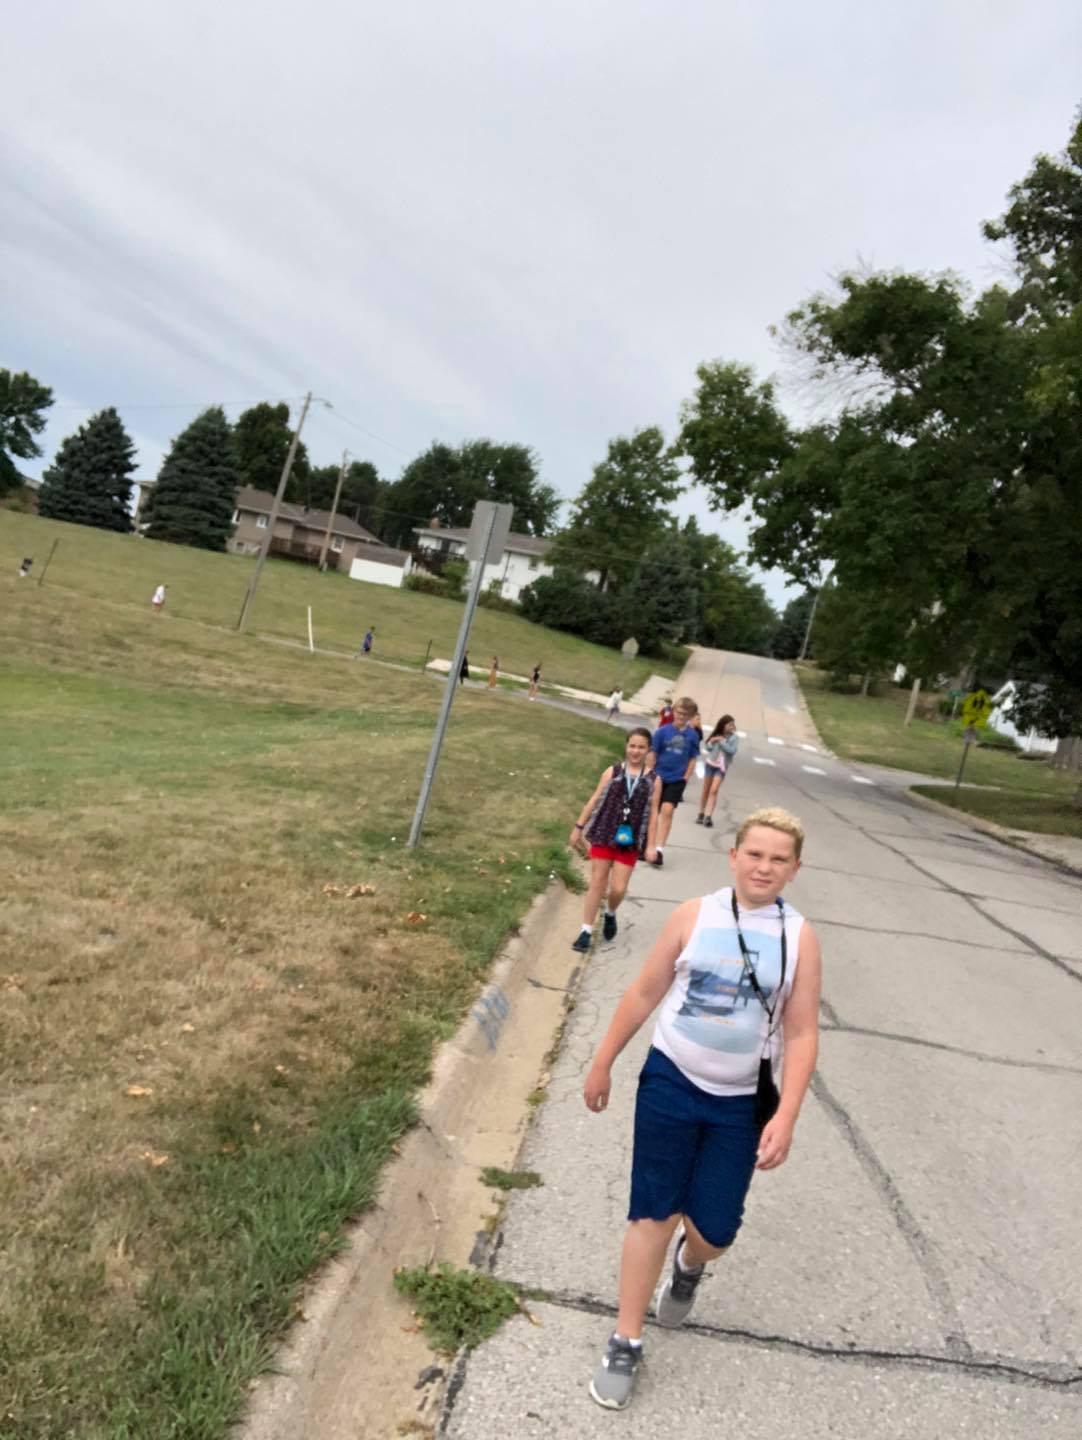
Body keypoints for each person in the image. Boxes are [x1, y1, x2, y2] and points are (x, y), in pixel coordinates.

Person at [584, 808, 821, 1411]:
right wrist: (603, 1060)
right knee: (653, 1211)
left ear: (794, 869)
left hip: (741, 1101)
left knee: (715, 1228)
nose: (764, 866)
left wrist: (786, 1115)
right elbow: (644, 992)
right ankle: (626, 1338)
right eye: (755, 854)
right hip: (671, 1079)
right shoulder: (694, 915)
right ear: (734, 855)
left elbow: (800, 1033)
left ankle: (690, 1267)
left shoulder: (799, 938)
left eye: (779, 859)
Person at [568, 729, 661, 953]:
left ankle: (610, 913)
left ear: (648, 750)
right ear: (626, 746)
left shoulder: (653, 780)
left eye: (641, 747)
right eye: (632, 746)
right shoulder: (613, 772)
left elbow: (654, 813)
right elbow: (595, 798)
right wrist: (579, 827)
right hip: (604, 832)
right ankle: (586, 930)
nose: (636, 751)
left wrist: (651, 845)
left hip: (629, 840)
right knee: (598, 882)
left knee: (618, 888)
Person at [648, 697, 700, 869]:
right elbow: (653, 753)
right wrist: (650, 773)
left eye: (685, 714)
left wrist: (685, 778)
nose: (681, 716)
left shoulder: (692, 736)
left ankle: (659, 848)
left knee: (667, 811)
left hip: (677, 779)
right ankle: (647, 845)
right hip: (658, 777)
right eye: (679, 712)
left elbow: (692, 759)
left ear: (691, 716)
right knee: (653, 811)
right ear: (674, 711)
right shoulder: (662, 731)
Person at [696, 715, 739, 828]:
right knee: (706, 789)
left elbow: (732, 751)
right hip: (710, 764)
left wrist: (722, 742)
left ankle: (708, 816)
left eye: (732, 724)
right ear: (723, 725)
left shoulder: (734, 738)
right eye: (729, 724)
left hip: (721, 767)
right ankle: (701, 812)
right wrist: (713, 740)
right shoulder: (717, 734)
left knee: (714, 790)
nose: (731, 726)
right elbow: (708, 748)